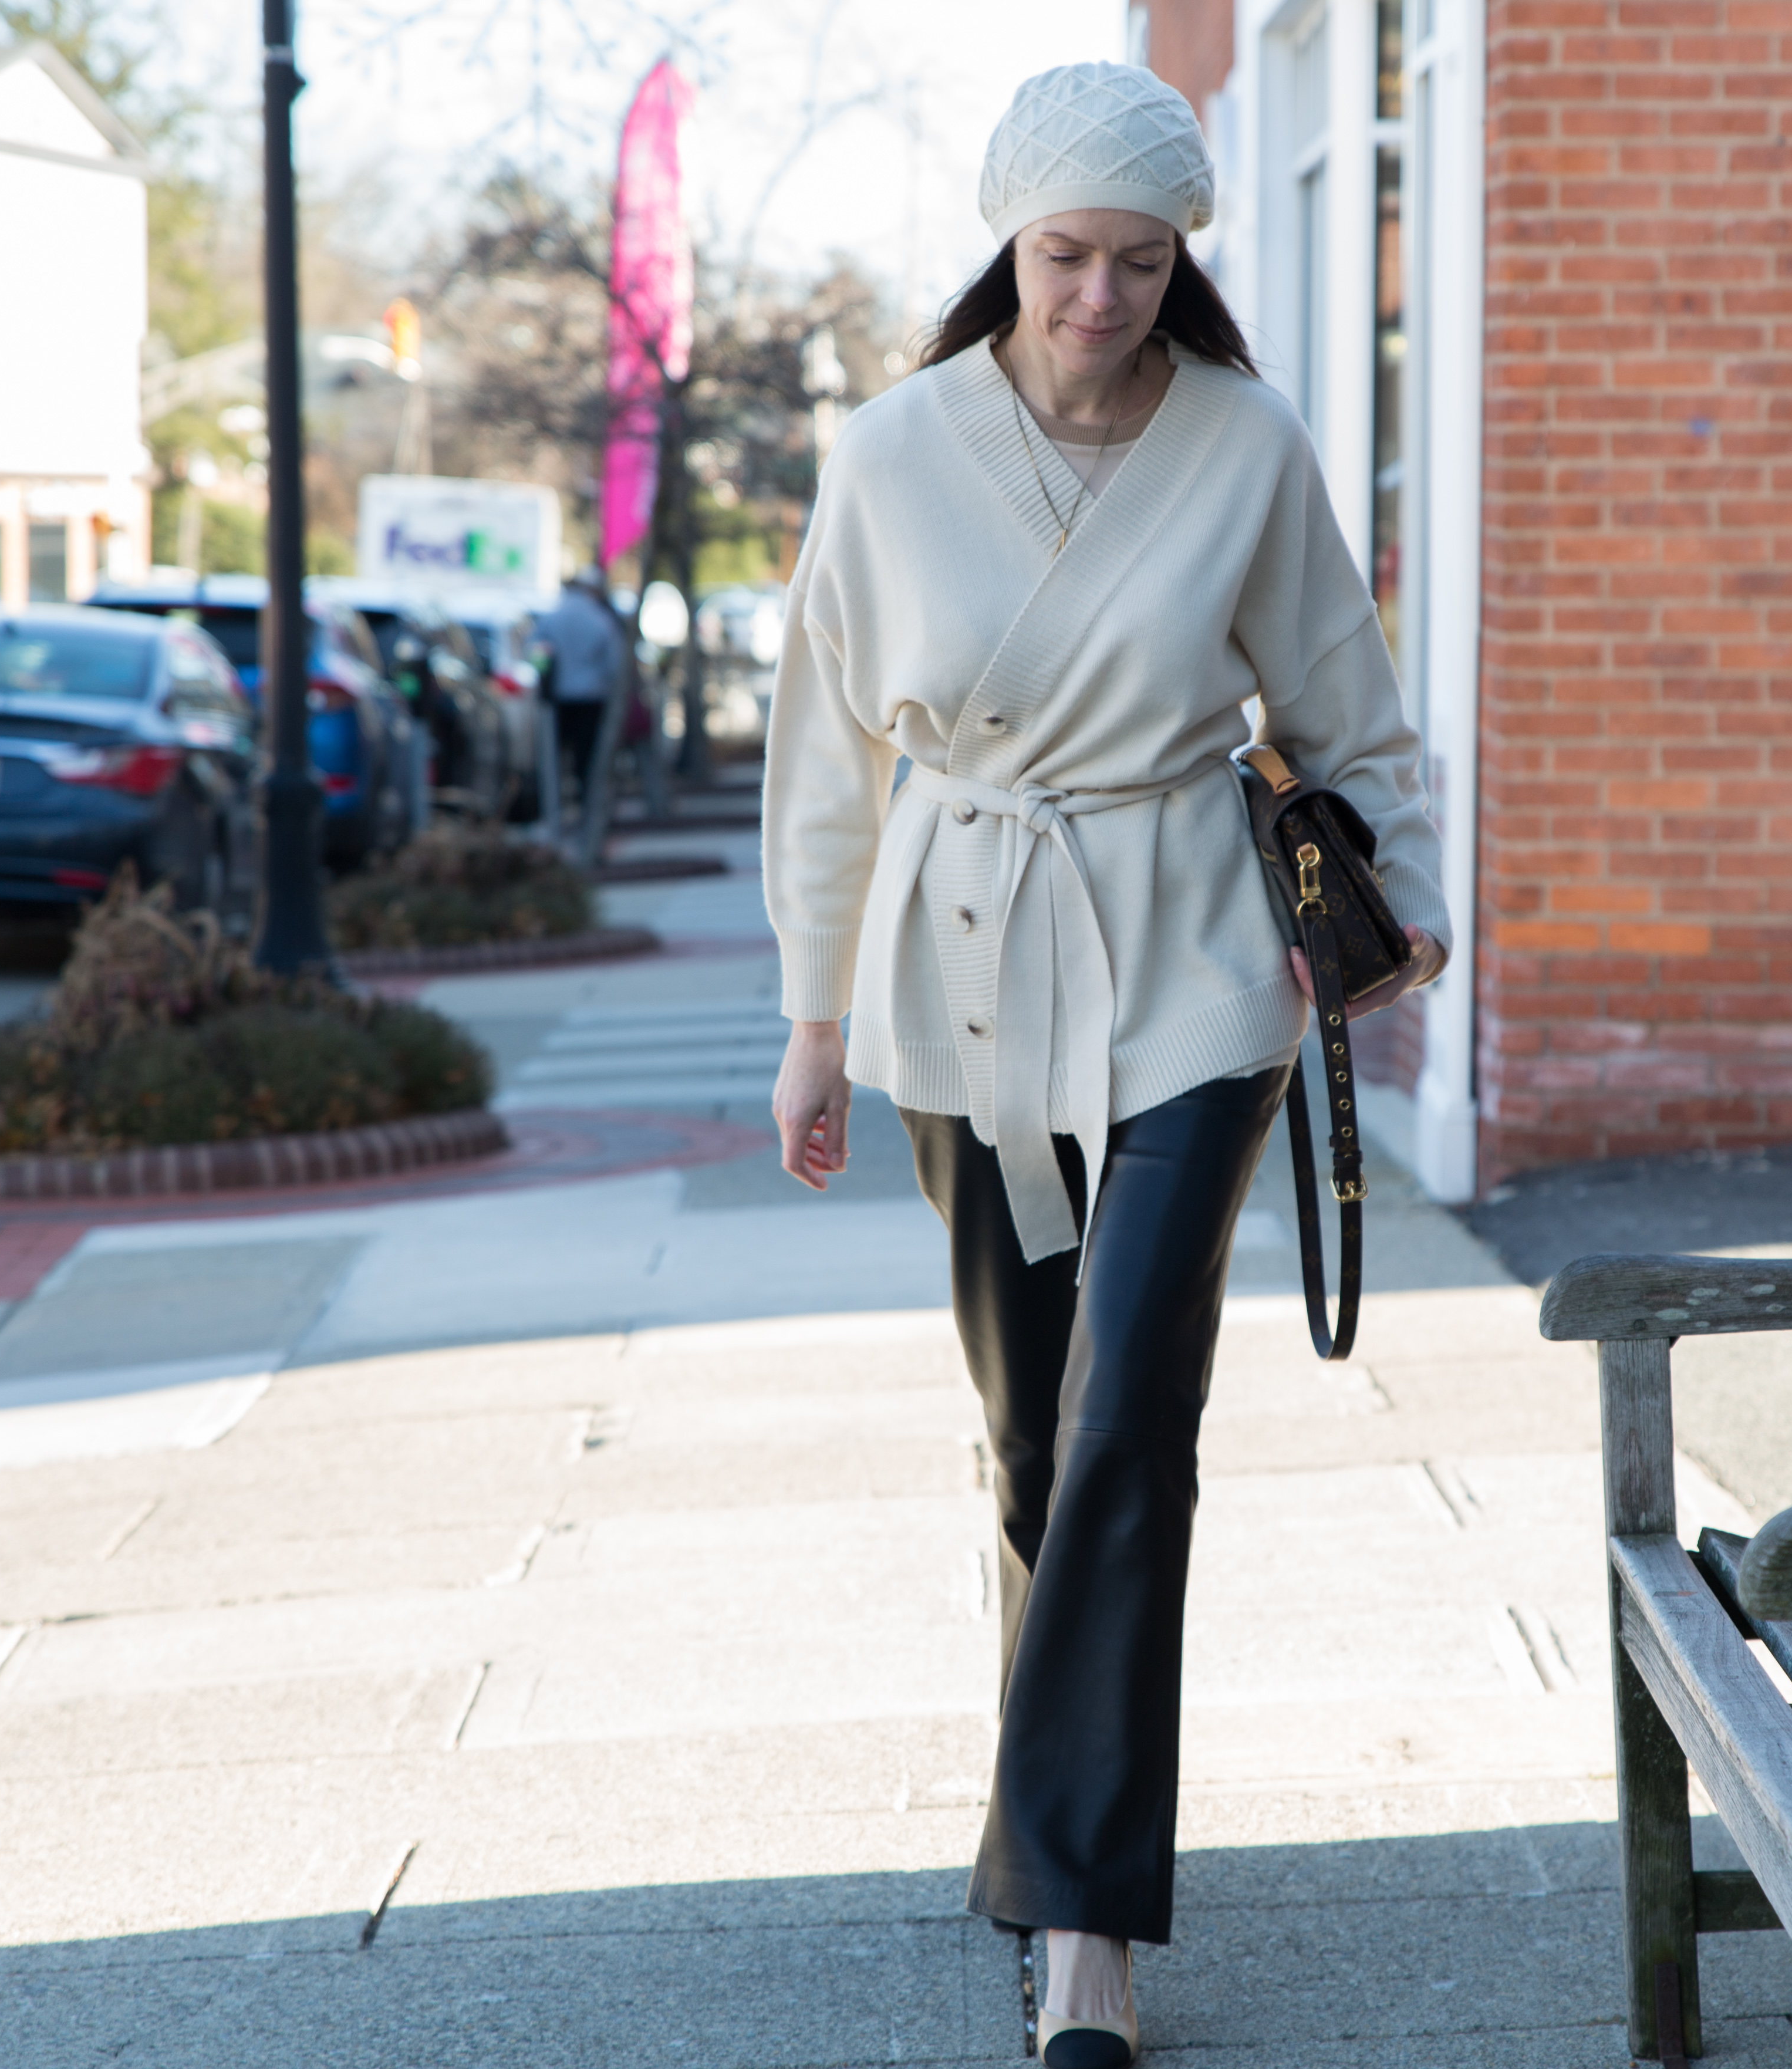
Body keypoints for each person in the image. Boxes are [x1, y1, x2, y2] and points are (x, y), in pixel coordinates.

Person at [761, 63, 1448, 2069]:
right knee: (1033, 1443)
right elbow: (824, 761)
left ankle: (1080, 1929)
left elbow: (1341, 692)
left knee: (1130, 1406)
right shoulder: (887, 455)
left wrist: (1388, 892)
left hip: (1188, 963)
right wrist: (813, 1024)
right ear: (1006, 247)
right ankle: (1056, 1819)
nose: (1096, 296)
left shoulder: (1242, 445)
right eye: (1063, 256)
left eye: (1138, 261)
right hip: (957, 969)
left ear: (1181, 261)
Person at [536, 569, 625, 818]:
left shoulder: (552, 618)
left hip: (558, 698)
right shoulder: (600, 619)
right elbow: (614, 664)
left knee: (556, 757)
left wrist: (547, 678)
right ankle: (588, 808)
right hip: (592, 697)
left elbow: (535, 653)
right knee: (588, 759)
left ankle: (557, 807)